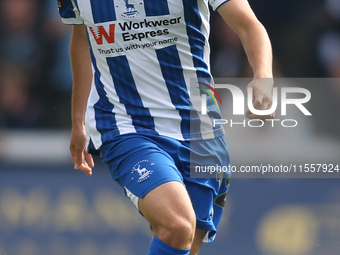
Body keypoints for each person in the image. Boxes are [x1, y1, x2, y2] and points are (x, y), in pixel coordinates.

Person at [58, 0, 273, 254]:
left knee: (184, 241)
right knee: (178, 226)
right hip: (126, 125)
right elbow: (82, 37)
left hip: (200, 132)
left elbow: (248, 25)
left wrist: (263, 77)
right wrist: (78, 120)